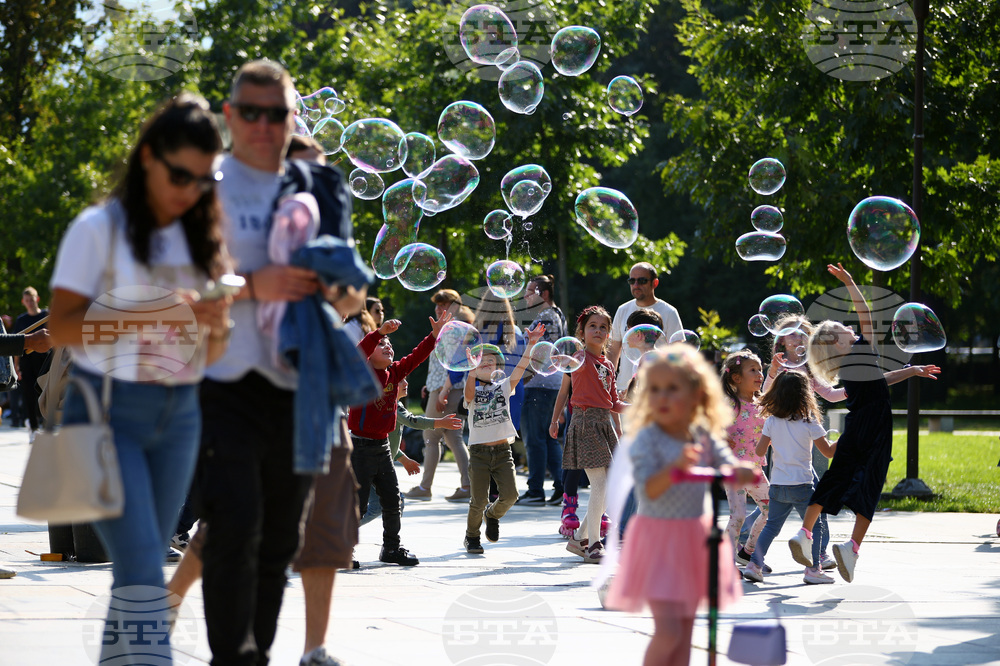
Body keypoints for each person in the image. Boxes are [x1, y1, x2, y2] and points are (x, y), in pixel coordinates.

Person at [48, 93, 232, 664]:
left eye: (204, 180)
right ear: (148, 157)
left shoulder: (201, 236)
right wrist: (162, 310)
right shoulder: (98, 227)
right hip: (104, 412)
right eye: (181, 174)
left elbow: (210, 354)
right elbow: (61, 327)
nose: (191, 190)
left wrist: (215, 321)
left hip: (178, 416)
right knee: (143, 574)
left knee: (140, 575)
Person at [192, 60, 356, 666]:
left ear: (293, 117)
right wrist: (254, 285)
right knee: (233, 528)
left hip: (298, 386)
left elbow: (351, 290)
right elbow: (173, 287)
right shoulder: (202, 184)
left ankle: (251, 652)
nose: (265, 125)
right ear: (231, 116)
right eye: (251, 113)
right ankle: (235, 659)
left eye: (277, 113)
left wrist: (339, 289)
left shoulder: (318, 185)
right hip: (219, 381)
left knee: (280, 539)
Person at [788, 263, 941, 583]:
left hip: (855, 426)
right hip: (877, 428)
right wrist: (850, 282)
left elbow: (881, 382)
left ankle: (805, 533)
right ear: (839, 344)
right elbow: (867, 317)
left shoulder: (851, 368)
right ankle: (852, 548)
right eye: (848, 332)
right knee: (869, 487)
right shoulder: (860, 352)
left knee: (835, 478)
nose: (855, 332)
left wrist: (912, 371)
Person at [603, 345, 755, 666]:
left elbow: (725, 461)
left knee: (686, 631)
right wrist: (677, 470)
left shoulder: (702, 433)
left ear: (697, 394)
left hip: (694, 540)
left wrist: (739, 470)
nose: (662, 397)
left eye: (673, 389)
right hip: (658, 540)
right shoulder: (647, 438)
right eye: (654, 389)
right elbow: (649, 487)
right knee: (669, 630)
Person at [349, 312, 452, 567]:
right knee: (357, 505)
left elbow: (417, 356)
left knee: (392, 501)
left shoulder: (395, 373)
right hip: (359, 448)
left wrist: (434, 336)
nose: (388, 347)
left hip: (382, 448)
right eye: (382, 345)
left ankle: (391, 549)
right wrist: (380, 332)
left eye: (390, 345)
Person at [743, 370, 836, 585]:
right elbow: (829, 452)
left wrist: (776, 442)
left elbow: (759, 451)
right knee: (816, 525)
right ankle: (813, 570)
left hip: (778, 485)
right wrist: (846, 439)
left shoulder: (772, 422)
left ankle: (754, 565)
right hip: (802, 485)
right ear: (805, 395)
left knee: (771, 527)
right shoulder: (809, 422)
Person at [550, 306, 628, 562]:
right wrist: (555, 420)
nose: (598, 330)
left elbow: (613, 402)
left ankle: (578, 538)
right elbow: (564, 392)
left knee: (611, 487)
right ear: (581, 332)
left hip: (604, 423)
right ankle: (593, 544)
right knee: (600, 484)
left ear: (609, 334)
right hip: (584, 421)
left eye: (603, 327)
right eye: (592, 326)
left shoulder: (607, 364)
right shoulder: (578, 358)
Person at [464, 326, 546, 554]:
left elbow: (521, 367)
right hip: (479, 454)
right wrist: (471, 371)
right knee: (477, 500)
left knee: (510, 495)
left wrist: (531, 344)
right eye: (481, 361)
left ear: (498, 368)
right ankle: (472, 536)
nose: (487, 363)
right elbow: (468, 396)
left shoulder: (503, 387)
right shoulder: (472, 389)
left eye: (491, 361)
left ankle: (492, 514)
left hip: (502, 452)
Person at [360, 377, 463, 527]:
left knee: (377, 507)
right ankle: (346, 536)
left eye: (406, 380)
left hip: (373, 464)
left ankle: (342, 534)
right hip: (372, 466)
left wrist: (404, 460)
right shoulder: (391, 405)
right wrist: (440, 422)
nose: (406, 384)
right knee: (394, 503)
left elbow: (386, 445)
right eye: (400, 380)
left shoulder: (392, 404)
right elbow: (412, 421)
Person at [406, 289, 469, 501]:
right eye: (436, 304)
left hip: (447, 389)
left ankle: (425, 488)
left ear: (455, 305)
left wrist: (443, 390)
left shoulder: (454, 329)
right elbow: (439, 361)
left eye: (442, 304)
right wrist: (429, 385)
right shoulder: (451, 327)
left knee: (431, 437)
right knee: (452, 437)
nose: (437, 308)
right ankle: (467, 485)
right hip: (443, 387)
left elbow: (457, 364)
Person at [518, 275, 567, 505]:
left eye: (530, 292)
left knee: (534, 439)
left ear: (543, 294)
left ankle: (536, 490)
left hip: (540, 384)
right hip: (553, 382)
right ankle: (560, 487)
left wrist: (522, 376)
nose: (526, 296)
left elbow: (539, 353)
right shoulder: (557, 313)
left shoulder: (545, 316)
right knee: (548, 438)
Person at [719, 350, 771, 569]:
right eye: (753, 370)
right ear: (736, 378)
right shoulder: (729, 404)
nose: (760, 374)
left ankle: (747, 551)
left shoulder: (763, 404)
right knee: (738, 515)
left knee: (772, 510)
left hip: (756, 469)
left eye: (760, 369)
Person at [607, 262, 684, 398]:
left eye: (642, 281)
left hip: (656, 389)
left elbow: (677, 353)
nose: (636, 285)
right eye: (632, 281)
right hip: (624, 388)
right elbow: (613, 351)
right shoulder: (622, 310)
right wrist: (608, 382)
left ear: (654, 283)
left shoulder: (669, 312)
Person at [12, 287, 49, 438]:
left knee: (46, 392)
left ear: (37, 299)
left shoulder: (46, 316)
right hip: (27, 362)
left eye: (31, 299)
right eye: (26, 300)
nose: (29, 303)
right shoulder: (21, 320)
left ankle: (46, 425)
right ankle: (33, 427)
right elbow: (16, 344)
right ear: (23, 302)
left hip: (45, 360)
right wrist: (16, 365)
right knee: (28, 394)